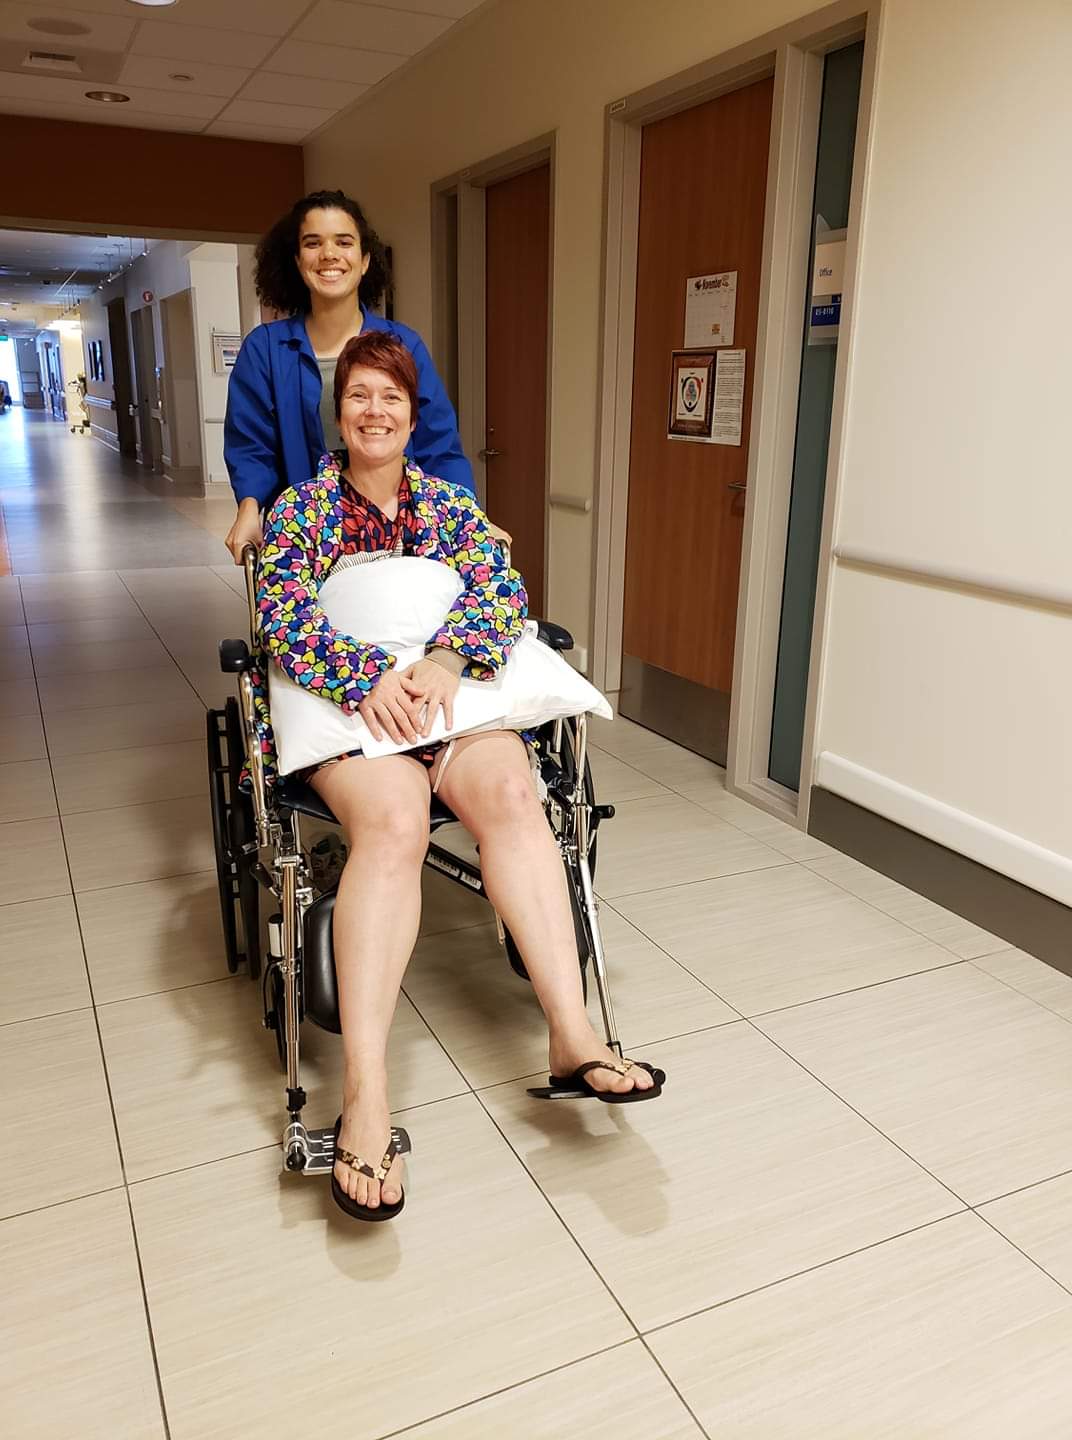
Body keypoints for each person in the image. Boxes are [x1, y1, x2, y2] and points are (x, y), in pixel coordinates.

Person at [255, 331, 663, 1223]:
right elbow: (282, 613)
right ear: (342, 410)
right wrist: (369, 681)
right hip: (355, 705)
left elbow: (500, 591)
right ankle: (365, 1097)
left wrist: (443, 660)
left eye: (391, 399)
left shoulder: (449, 503)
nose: (375, 412)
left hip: (446, 700)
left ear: (413, 414)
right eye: (359, 395)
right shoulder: (301, 511)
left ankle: (571, 1035)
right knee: (395, 825)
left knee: (518, 797)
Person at [224, 188, 472, 563]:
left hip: (403, 539)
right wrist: (248, 508)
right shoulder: (266, 349)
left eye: (344, 241)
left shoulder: (402, 344)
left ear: (365, 259)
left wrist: (471, 519)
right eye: (312, 242)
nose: (329, 255)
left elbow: (440, 445)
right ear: (296, 259)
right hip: (307, 541)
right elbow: (251, 447)